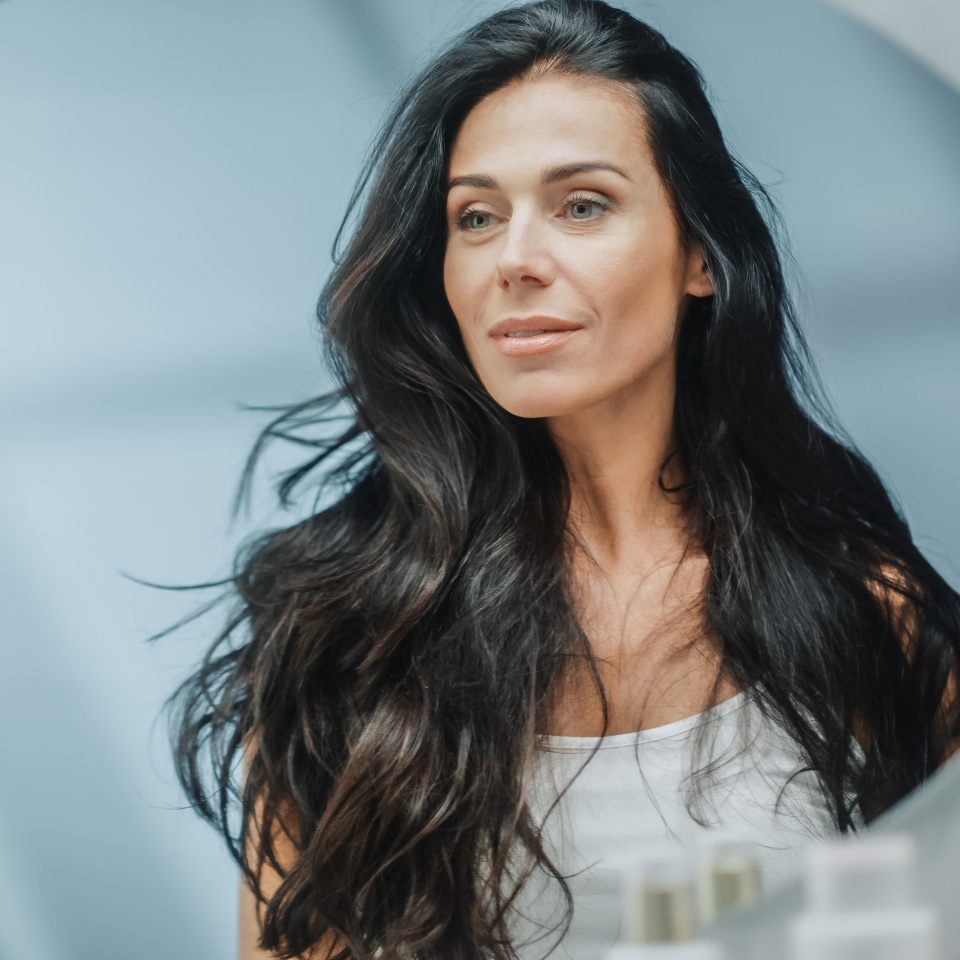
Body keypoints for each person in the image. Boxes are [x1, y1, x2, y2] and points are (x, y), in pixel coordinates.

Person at [168, 1, 960, 958]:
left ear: (699, 256)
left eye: (582, 204)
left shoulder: (862, 605)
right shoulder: (345, 629)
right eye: (476, 216)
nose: (515, 260)